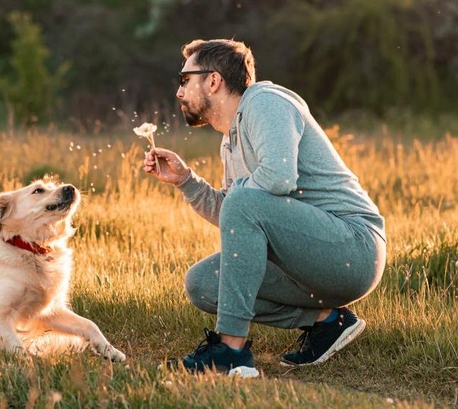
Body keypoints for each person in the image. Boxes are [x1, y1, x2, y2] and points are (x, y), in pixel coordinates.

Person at [143, 39, 386, 377]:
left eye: (185, 80)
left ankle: (230, 350)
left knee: (244, 200)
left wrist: (239, 198)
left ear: (213, 81)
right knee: (202, 283)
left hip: (354, 250)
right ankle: (328, 321)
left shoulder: (266, 103)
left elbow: (277, 179)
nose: (180, 92)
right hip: (308, 261)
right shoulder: (231, 140)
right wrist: (187, 181)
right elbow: (237, 214)